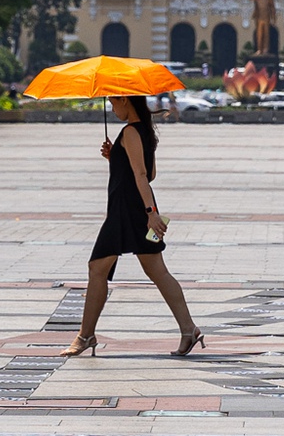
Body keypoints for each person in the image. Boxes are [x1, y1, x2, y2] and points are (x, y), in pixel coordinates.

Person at [60, 94, 203, 359]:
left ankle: (85, 336)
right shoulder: (144, 131)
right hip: (134, 209)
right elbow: (150, 173)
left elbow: (141, 175)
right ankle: (188, 330)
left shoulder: (130, 132)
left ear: (125, 99)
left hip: (128, 211)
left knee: (97, 268)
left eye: (114, 103)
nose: (112, 108)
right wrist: (115, 157)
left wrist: (151, 213)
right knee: (156, 271)